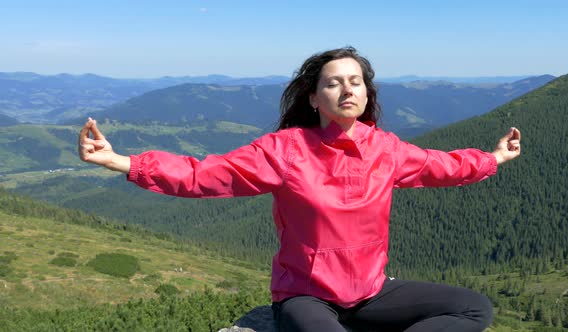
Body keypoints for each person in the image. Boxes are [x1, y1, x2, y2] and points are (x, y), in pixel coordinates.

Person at [79, 46, 521, 332]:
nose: (346, 89)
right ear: (314, 98)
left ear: (366, 95)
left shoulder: (386, 149)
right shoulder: (286, 150)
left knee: (474, 309)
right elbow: (204, 175)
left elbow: (441, 166)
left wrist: (494, 158)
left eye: (355, 82)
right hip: (306, 297)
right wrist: (123, 162)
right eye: (333, 82)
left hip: (370, 292)